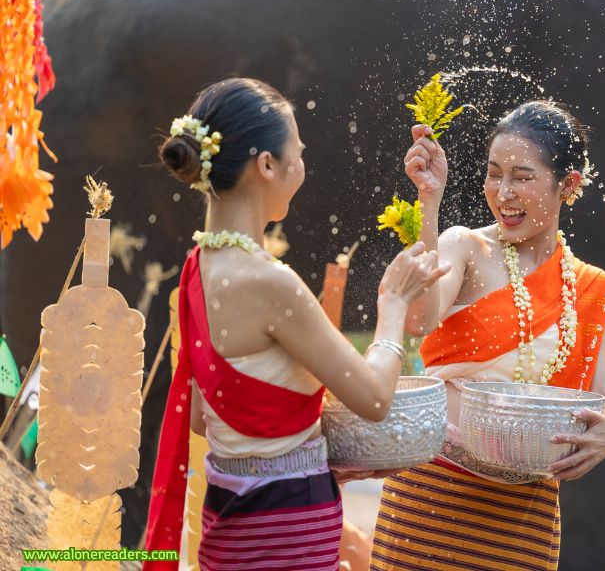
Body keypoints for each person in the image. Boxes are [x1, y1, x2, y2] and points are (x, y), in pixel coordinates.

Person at [143, 78, 448, 571]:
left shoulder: (197, 268)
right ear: (267, 165)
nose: (302, 166)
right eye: (297, 152)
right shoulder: (270, 282)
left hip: (229, 518)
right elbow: (373, 398)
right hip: (287, 525)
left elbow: (205, 417)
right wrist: (392, 306)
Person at [369, 101, 605, 570]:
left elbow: (602, 396)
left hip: (524, 512)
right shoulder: (465, 247)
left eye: (522, 177)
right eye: (494, 174)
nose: (503, 192)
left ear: (567, 185)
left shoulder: (593, 289)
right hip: (430, 494)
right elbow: (418, 319)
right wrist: (430, 201)